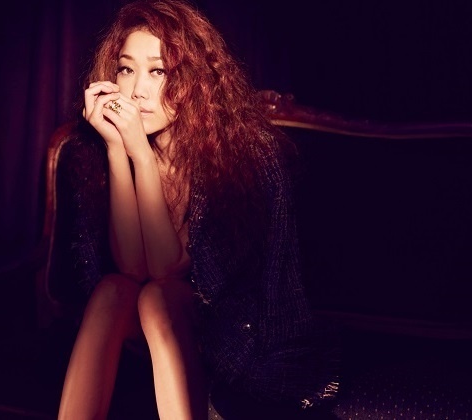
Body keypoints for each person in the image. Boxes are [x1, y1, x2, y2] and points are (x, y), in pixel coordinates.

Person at [57, 1, 339, 419]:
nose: (136, 90)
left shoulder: (243, 156)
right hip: (152, 330)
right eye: (126, 69)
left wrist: (140, 154)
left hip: (235, 335)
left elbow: (167, 270)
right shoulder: (96, 151)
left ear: (194, 80)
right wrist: (118, 150)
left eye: (158, 71)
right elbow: (132, 268)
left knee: (159, 297)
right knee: (113, 291)